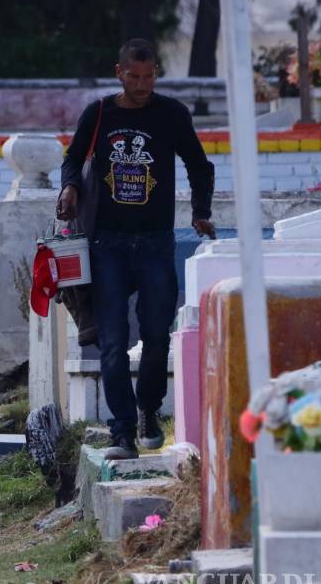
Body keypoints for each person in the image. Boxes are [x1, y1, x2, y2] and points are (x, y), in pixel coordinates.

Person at [56, 39, 215, 461]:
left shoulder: (171, 114)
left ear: (156, 73)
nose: (142, 85)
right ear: (119, 72)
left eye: (149, 77)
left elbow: (200, 165)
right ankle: (122, 431)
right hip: (105, 241)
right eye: (134, 76)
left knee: (157, 334)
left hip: (155, 242)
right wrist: (70, 187)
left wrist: (200, 211)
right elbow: (72, 159)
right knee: (111, 341)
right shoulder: (100, 113)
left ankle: (147, 409)